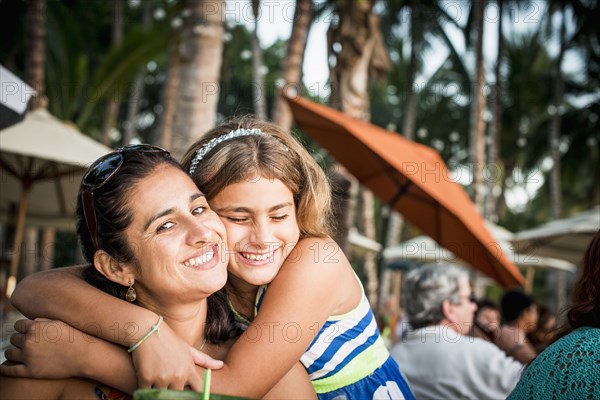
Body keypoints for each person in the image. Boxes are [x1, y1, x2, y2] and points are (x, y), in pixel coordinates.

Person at [4, 118, 414, 400]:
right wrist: (146, 330)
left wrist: (85, 356)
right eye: (237, 216)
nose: (263, 237)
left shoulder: (313, 259)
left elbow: (236, 387)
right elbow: (34, 288)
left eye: (279, 215)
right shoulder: (220, 276)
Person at [390, 264, 524, 400]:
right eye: (469, 298)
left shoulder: (392, 357)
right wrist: (518, 348)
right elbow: (537, 387)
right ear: (449, 308)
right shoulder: (473, 353)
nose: (474, 306)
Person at [508, 229, 600, 399]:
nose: (536, 314)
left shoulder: (569, 346)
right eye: (533, 309)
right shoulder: (586, 351)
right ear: (523, 313)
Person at [496, 290, 539, 364]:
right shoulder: (513, 334)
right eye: (535, 311)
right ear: (525, 313)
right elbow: (535, 364)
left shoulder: (510, 332)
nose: (537, 316)